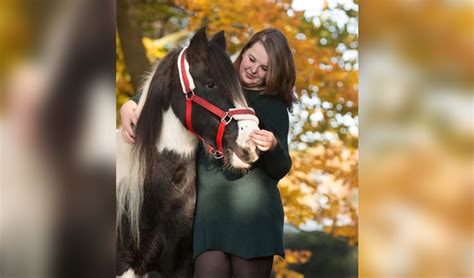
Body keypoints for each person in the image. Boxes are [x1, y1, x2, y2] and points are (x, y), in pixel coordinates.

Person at [120, 28, 296, 277]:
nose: (254, 69)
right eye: (252, 58)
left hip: (253, 218)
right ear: (243, 54)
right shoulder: (219, 86)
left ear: (275, 73)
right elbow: (174, 85)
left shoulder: (273, 106)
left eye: (265, 68)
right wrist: (133, 102)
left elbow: (280, 169)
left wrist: (274, 146)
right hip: (209, 218)